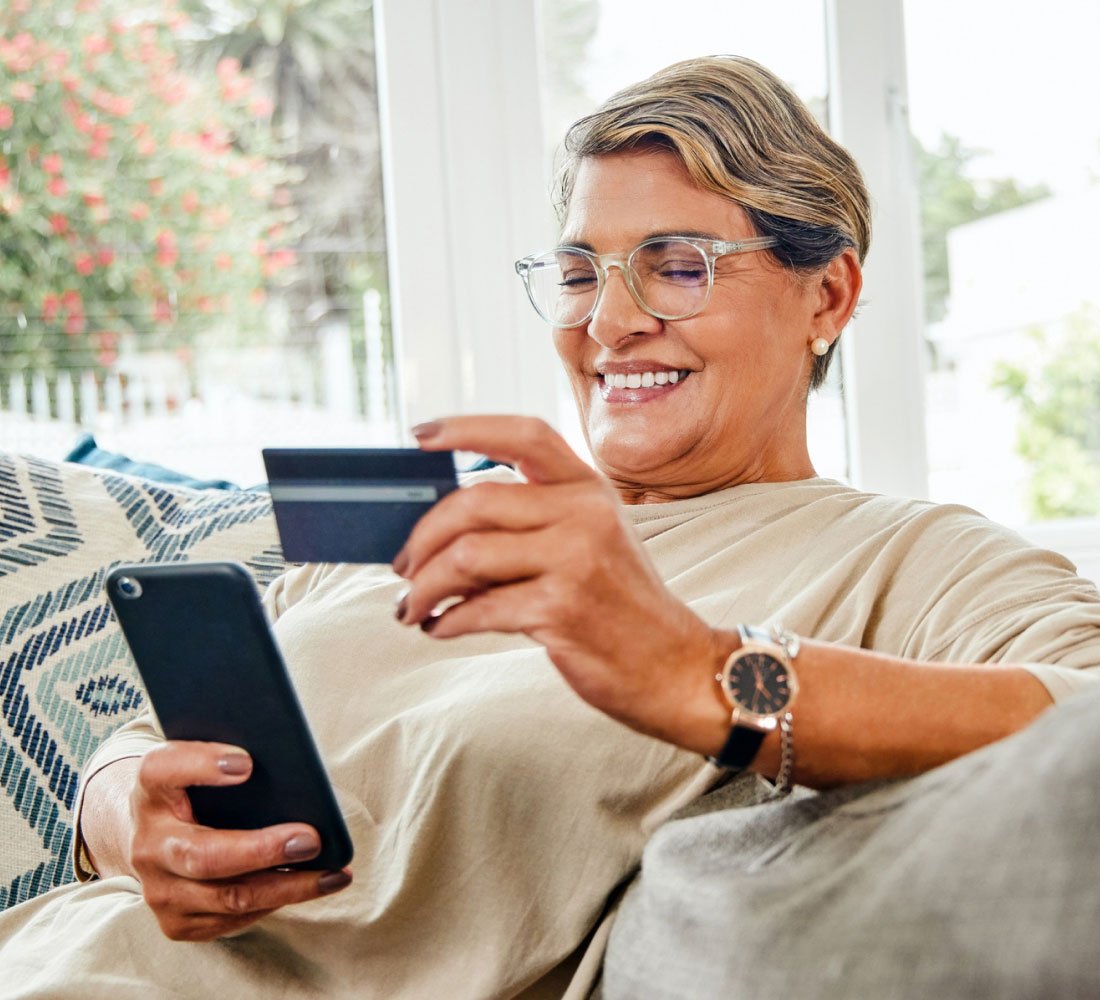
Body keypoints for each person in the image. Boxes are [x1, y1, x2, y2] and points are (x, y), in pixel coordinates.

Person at [1, 54, 1098, 998]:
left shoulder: (908, 557)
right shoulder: (435, 525)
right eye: (579, 273)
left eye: (677, 266)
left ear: (827, 296)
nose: (609, 324)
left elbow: (1078, 723)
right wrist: (118, 812)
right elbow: (142, 746)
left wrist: (704, 674)